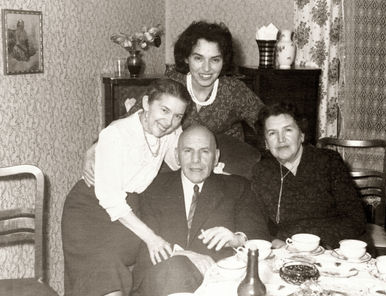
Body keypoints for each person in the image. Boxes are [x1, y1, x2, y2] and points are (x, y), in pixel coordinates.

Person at [82, 21, 263, 184]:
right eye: (198, 58)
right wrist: (96, 147)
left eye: (215, 60)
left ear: (224, 61)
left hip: (223, 159)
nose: (206, 68)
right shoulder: (173, 81)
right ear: (186, 58)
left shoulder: (234, 90)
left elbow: (268, 122)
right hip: (179, 159)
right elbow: (133, 116)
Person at [61, 79, 192, 296]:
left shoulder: (169, 132)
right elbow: (110, 198)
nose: (169, 121)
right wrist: (151, 238)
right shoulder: (117, 134)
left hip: (128, 210)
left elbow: (179, 161)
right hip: (90, 209)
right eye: (164, 110)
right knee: (103, 272)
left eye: (178, 116)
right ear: (147, 103)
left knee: (145, 268)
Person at [131, 125, 268, 296]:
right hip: (159, 280)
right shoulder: (153, 187)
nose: (196, 160)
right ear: (177, 156)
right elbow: (144, 241)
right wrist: (185, 255)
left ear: (216, 157)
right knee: (175, 270)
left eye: (204, 151)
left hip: (216, 283)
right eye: (188, 151)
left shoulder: (237, 187)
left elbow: (260, 236)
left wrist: (237, 239)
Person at [251, 102, 368, 250]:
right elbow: (255, 221)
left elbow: (355, 219)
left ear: (302, 135)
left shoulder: (328, 161)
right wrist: (273, 241)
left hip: (331, 247)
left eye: (288, 130)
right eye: (272, 133)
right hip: (284, 250)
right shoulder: (261, 171)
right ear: (266, 143)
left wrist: (304, 241)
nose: (281, 139)